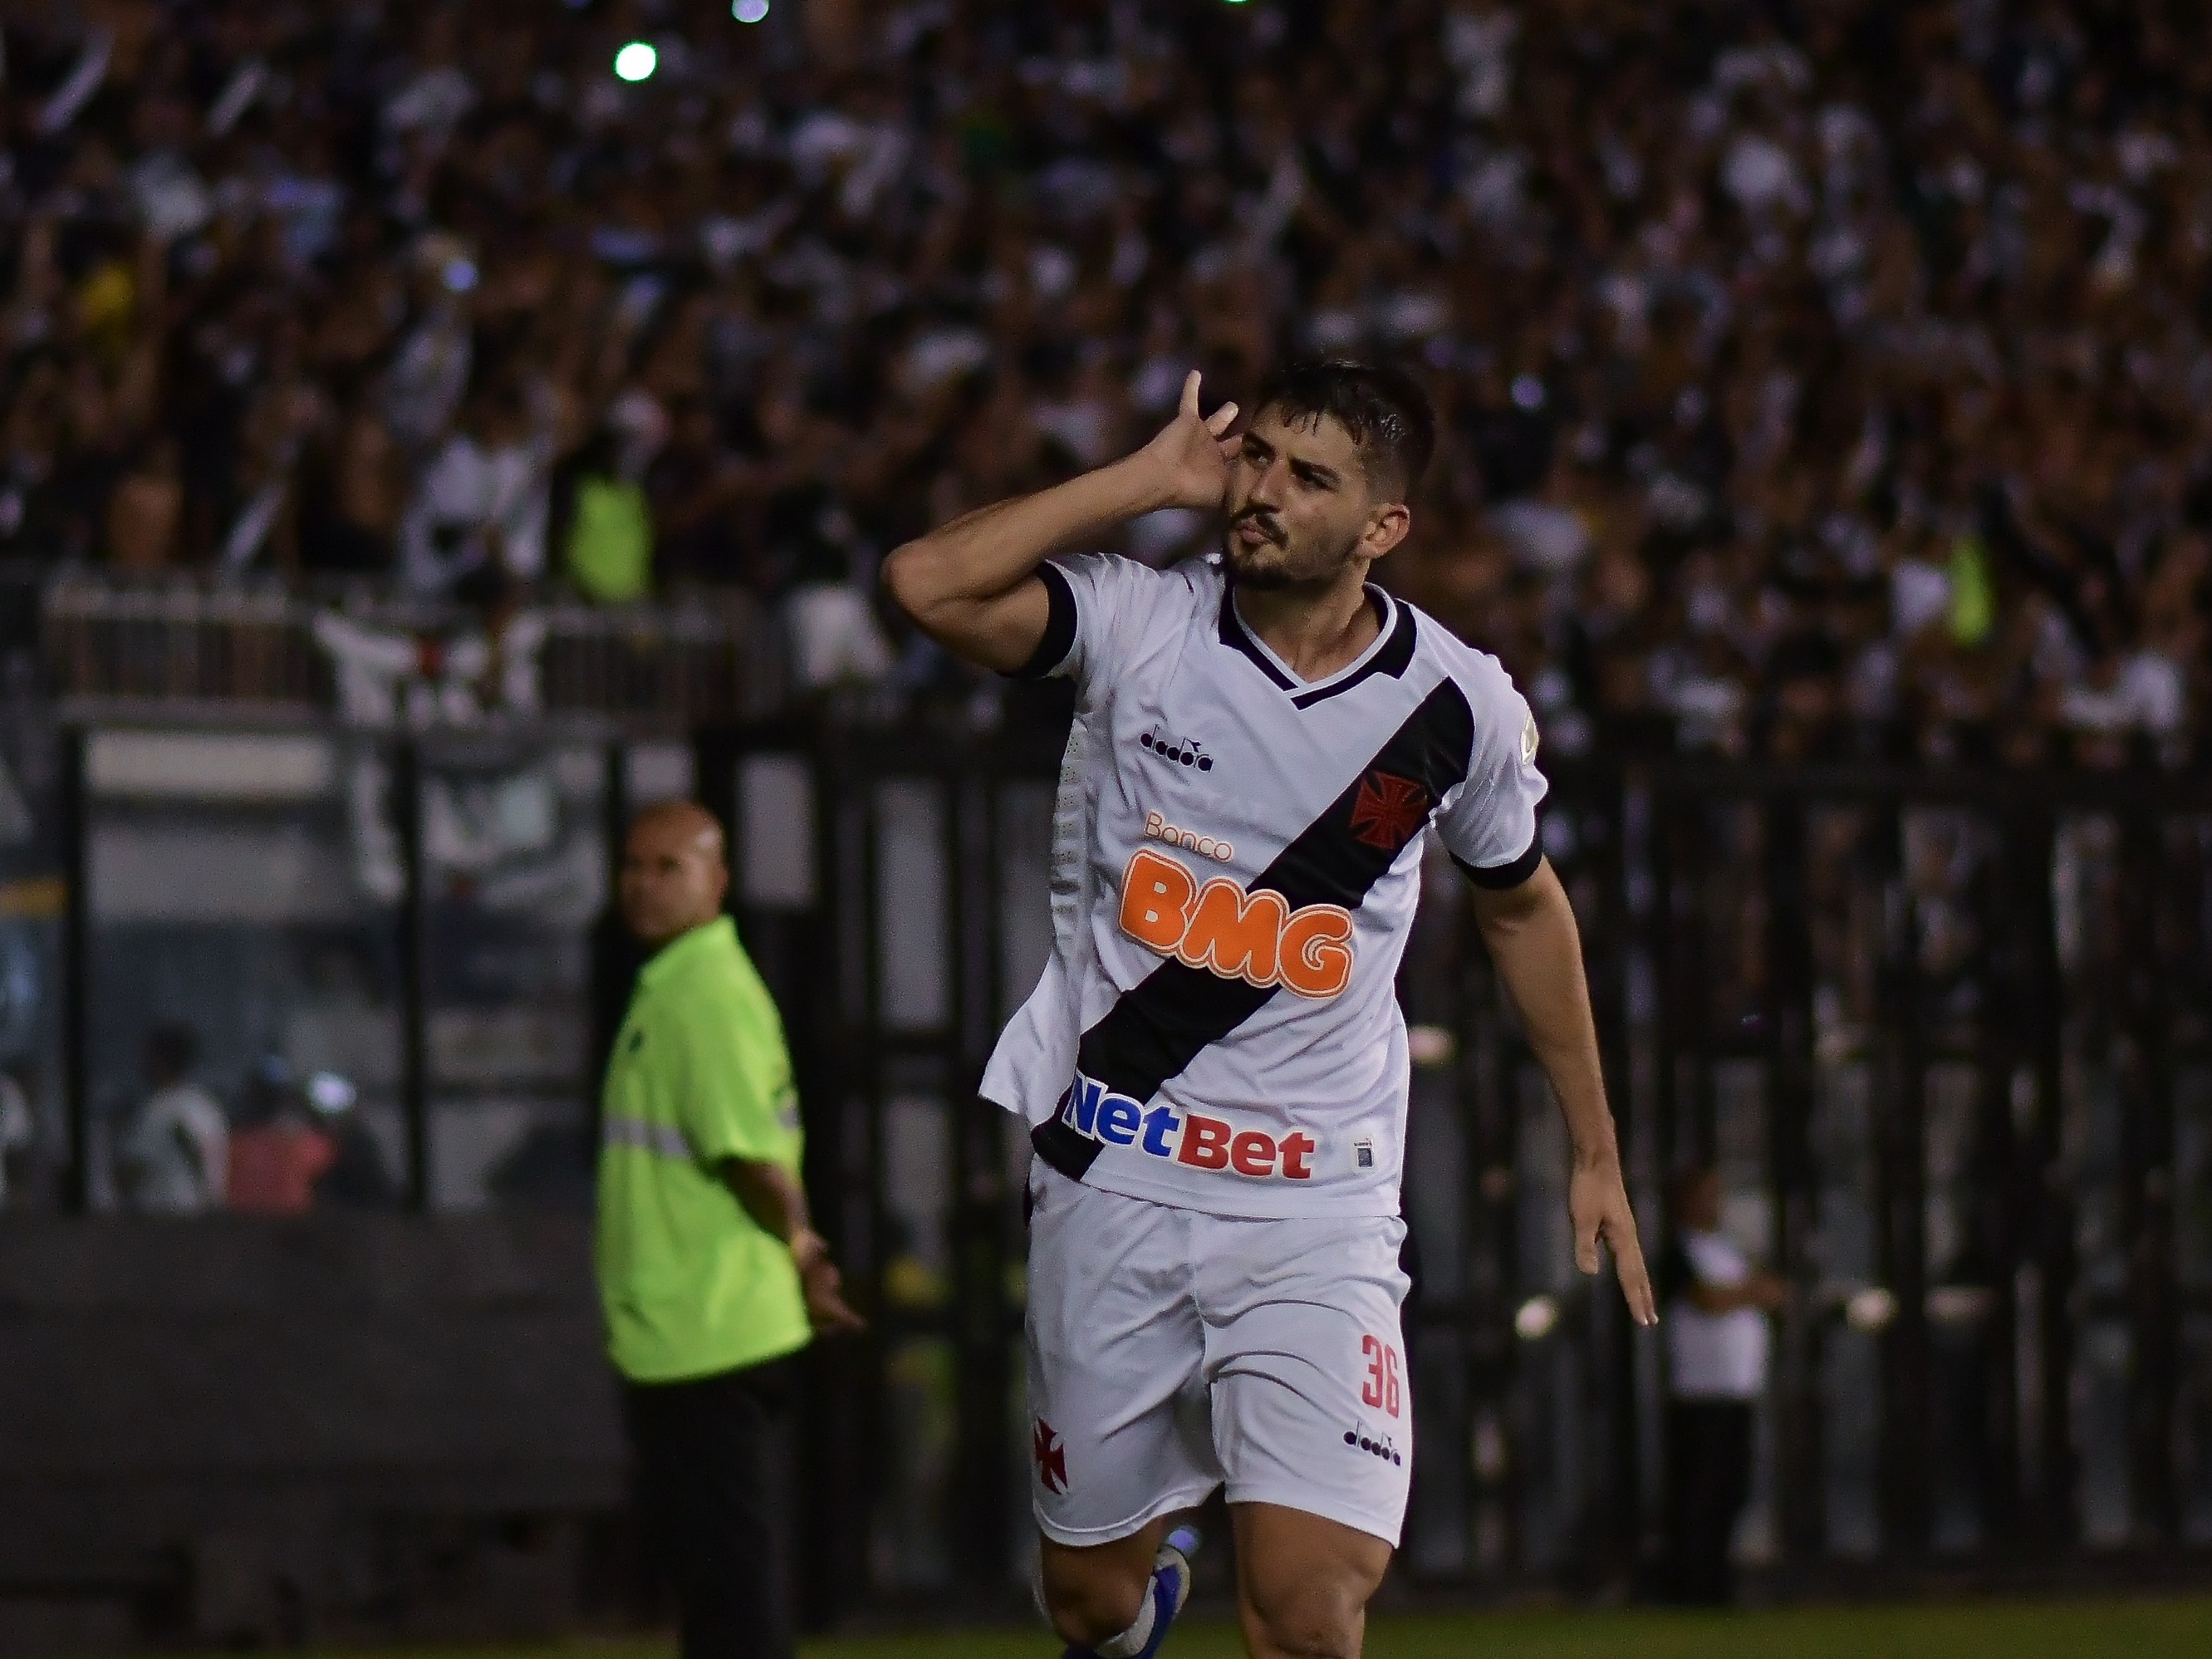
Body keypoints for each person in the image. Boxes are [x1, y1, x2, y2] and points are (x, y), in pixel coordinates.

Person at [883, 361, 1655, 1659]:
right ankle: (1135, 1611)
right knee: (1085, 1600)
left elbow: (1521, 908)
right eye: (1257, 462)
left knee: (1304, 1604)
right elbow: (924, 585)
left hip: (1315, 1203)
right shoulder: (1140, 624)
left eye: (1309, 478)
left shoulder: (1454, 706)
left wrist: (1592, 1144)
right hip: (1116, 1173)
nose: (1261, 494)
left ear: (1381, 529)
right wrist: (1142, 481)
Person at [596, 800, 864, 1659]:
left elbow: (751, 1157)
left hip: (711, 1329)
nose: (644, 885)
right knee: (717, 1590)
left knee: (731, 1599)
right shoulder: (676, 982)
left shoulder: (701, 994)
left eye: (668, 867)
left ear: (717, 880)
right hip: (687, 1330)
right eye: (633, 866)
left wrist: (803, 1253)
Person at [1657, 1165, 1785, 1606]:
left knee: (1731, 1491)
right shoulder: (1678, 1252)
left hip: (1736, 1390)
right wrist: (1749, 1293)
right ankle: (1688, 1586)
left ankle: (1715, 1583)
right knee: (1699, 1494)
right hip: (1700, 1392)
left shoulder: (1724, 1251)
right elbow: (1707, 1300)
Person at [119, 1024, 228, 1215]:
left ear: (161, 1058)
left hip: (163, 1221)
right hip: (202, 1220)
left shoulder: (157, 1110)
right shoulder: (207, 1107)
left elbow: (133, 1172)